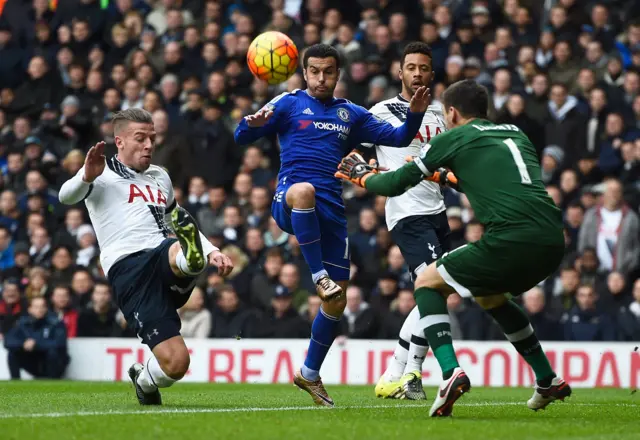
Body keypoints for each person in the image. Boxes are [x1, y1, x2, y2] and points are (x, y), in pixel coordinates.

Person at [335, 79, 571, 417]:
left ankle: (449, 373)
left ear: (453, 112)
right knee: (491, 296)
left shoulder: (452, 137)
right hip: (552, 239)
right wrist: (442, 176)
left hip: (510, 239)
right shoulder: (515, 133)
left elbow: (394, 183)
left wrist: (361, 175)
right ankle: (547, 379)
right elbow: (478, 178)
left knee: (427, 283)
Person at [234, 43, 430, 406]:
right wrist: (249, 125)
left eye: (328, 72)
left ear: (338, 74)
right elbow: (240, 136)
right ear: (304, 72)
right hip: (290, 199)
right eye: (314, 71)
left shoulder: (351, 113)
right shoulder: (287, 103)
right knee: (305, 191)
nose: (321, 78)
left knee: (336, 301)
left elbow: (400, 137)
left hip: (331, 212)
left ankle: (309, 374)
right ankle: (316, 276)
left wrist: (415, 116)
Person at [58, 108, 233, 405]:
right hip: (129, 271)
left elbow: (177, 219)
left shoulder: (160, 176)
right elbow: (65, 196)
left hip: (161, 254)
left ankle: (193, 260)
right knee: (176, 364)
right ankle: (144, 379)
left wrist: (212, 250)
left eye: (152, 138)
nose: (149, 145)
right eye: (141, 138)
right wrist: (85, 176)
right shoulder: (100, 174)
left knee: (176, 246)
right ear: (120, 141)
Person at [363, 42, 450, 401]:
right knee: (432, 287)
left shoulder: (442, 113)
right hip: (406, 212)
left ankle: (401, 372)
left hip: (437, 211)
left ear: (432, 74)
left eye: (423, 68)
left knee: (436, 292)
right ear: (400, 73)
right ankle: (405, 372)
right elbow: (357, 153)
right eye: (410, 67)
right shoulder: (381, 112)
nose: (417, 73)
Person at [4, 297, 69, 379]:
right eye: (36, 307)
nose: (40, 310)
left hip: (51, 362)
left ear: (46, 309)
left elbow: (60, 343)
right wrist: (23, 344)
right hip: (33, 360)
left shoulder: (56, 323)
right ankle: (15, 382)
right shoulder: (22, 323)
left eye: (42, 307)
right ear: (30, 309)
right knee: (12, 353)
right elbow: (8, 341)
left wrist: (36, 344)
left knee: (52, 353)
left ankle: (53, 381)